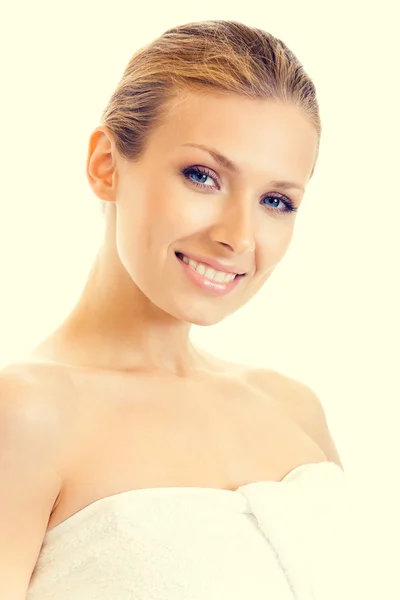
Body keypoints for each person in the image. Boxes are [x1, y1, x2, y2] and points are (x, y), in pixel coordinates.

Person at [1, 19, 356, 600]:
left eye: (276, 200)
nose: (239, 236)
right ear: (106, 165)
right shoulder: (24, 417)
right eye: (203, 176)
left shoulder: (295, 409)